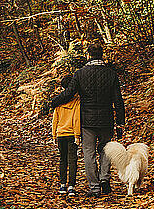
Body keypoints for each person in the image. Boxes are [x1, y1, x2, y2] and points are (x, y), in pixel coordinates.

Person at [50, 43, 125, 197]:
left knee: (88, 153)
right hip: (106, 119)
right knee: (106, 151)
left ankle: (95, 187)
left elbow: (69, 93)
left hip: (87, 121)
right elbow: (118, 100)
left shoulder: (80, 73)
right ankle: (104, 178)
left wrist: (54, 102)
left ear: (88, 55)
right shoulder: (111, 74)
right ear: (102, 55)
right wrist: (120, 123)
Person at [52, 75, 81, 196]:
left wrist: (54, 135)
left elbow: (55, 120)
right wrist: (77, 135)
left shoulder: (58, 102)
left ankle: (62, 185)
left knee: (62, 159)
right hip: (71, 134)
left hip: (60, 134)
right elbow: (76, 119)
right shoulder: (77, 101)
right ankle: (71, 187)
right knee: (72, 160)